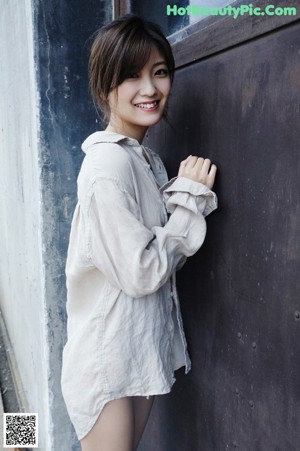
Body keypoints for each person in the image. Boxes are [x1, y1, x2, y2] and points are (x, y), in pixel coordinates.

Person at [61, 14, 218, 451]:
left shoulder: (143, 161)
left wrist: (174, 200)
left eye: (160, 72)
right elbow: (141, 270)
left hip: (131, 353)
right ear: (104, 85)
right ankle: (15, 437)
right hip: (105, 363)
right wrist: (189, 202)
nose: (149, 89)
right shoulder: (107, 165)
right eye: (131, 75)